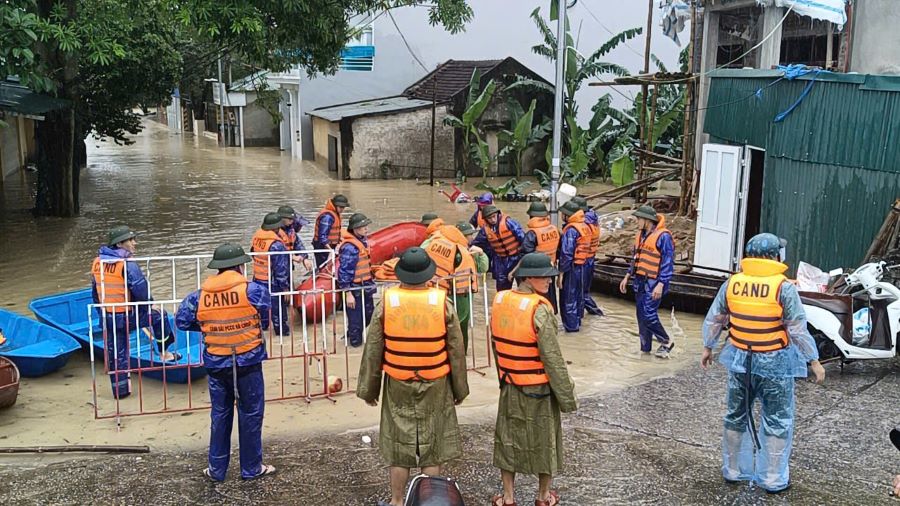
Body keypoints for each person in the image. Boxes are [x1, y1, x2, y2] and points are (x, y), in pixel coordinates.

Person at [701, 233, 825, 493]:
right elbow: (797, 330)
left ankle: (733, 469)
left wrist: (708, 347)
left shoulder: (733, 283)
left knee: (736, 415)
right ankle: (772, 478)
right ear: (775, 256)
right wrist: (813, 360)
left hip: (739, 363)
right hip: (774, 365)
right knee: (777, 419)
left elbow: (716, 319)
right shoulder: (784, 288)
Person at [357, 247, 469, 506]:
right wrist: (460, 390)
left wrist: (369, 390)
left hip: (398, 382)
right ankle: (429, 500)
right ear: (428, 275)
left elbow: (373, 348)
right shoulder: (443, 302)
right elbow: (456, 350)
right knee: (432, 446)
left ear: (402, 275)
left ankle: (397, 501)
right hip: (436, 383)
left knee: (399, 445)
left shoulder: (387, 301)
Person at [175, 243, 276, 482]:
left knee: (220, 414)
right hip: (247, 362)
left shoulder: (199, 296)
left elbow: (181, 321)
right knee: (250, 414)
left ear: (217, 269)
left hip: (216, 363)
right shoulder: (252, 290)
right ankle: (251, 468)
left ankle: (216, 470)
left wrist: (210, 326)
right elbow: (266, 313)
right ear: (240, 266)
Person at [490, 253, 577, 506]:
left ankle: (507, 498)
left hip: (510, 383)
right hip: (538, 388)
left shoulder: (499, 300)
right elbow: (553, 359)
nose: (550, 281)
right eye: (544, 277)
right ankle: (543, 497)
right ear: (528, 277)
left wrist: (503, 378)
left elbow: (497, 346)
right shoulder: (539, 310)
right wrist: (567, 397)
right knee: (545, 440)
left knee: (507, 439)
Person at [91, 225, 178, 399]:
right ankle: (164, 352)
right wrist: (150, 306)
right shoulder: (127, 264)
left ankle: (120, 392)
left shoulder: (98, 262)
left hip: (108, 316)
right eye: (131, 240)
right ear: (120, 244)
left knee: (117, 353)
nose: (134, 243)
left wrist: (102, 313)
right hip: (127, 316)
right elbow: (141, 290)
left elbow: (95, 292)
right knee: (160, 316)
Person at [619, 205, 675, 357]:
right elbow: (636, 258)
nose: (637, 221)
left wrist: (661, 283)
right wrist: (627, 275)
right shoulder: (641, 235)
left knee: (649, 314)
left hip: (654, 282)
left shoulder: (663, 237)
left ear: (647, 220)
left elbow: (667, 262)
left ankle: (665, 341)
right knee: (641, 316)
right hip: (640, 280)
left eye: (639, 219)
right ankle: (645, 350)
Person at [425, 223, 479, 350]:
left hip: (437, 292)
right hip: (459, 295)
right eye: (469, 235)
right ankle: (461, 354)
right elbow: (481, 268)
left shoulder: (432, 244)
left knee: (441, 325)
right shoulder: (461, 252)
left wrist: (481, 255)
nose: (471, 237)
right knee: (459, 326)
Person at [514, 201, 560, 313]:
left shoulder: (532, 233)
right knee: (550, 294)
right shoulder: (554, 229)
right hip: (551, 268)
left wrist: (516, 271)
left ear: (531, 216)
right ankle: (551, 313)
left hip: (536, 272)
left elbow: (525, 254)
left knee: (534, 299)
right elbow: (559, 250)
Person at [338, 213, 376, 347]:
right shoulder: (350, 247)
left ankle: (350, 336)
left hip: (365, 286)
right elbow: (344, 271)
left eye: (366, 226)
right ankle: (354, 344)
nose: (366, 229)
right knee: (356, 320)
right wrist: (348, 293)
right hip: (354, 288)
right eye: (363, 227)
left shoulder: (361, 243)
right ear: (355, 229)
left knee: (369, 314)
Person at [251, 213, 291, 336]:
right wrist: (285, 287)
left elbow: (253, 253)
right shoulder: (276, 245)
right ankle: (282, 332)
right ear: (277, 227)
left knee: (262, 306)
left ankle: (263, 328)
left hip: (258, 277)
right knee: (278, 308)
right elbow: (281, 268)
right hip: (272, 280)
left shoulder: (257, 238)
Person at [557, 201, 591, 333]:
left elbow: (566, 253)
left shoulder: (571, 230)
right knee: (578, 296)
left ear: (567, 215)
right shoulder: (584, 226)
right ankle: (576, 323)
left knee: (568, 299)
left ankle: (571, 329)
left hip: (571, 268)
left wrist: (561, 273)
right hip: (582, 266)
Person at [473, 205, 524, 291]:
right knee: (502, 288)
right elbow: (476, 243)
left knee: (524, 285)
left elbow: (523, 238)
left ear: (497, 214)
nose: (493, 220)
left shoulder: (509, 223)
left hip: (517, 257)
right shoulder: (485, 230)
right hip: (501, 260)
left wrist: (524, 254)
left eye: (494, 216)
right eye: (490, 218)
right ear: (485, 219)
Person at [571, 196, 603, 316]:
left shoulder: (584, 223)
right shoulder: (593, 219)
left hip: (583, 260)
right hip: (590, 258)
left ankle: (595, 313)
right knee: (584, 290)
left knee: (580, 291)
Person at [312, 194, 349, 267]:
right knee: (323, 266)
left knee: (329, 265)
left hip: (330, 245)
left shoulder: (335, 214)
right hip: (322, 246)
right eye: (341, 207)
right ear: (335, 205)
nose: (342, 209)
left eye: (343, 207)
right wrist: (330, 250)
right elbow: (322, 236)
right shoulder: (327, 217)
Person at [276, 205, 313, 272]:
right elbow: (275, 250)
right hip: (276, 267)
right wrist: (292, 257)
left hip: (287, 266)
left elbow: (298, 244)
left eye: (293, 219)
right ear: (281, 218)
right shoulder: (274, 231)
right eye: (290, 219)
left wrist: (304, 258)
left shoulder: (290, 230)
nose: (292, 221)